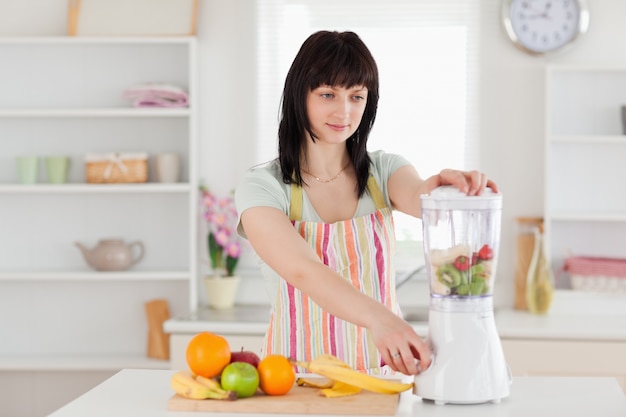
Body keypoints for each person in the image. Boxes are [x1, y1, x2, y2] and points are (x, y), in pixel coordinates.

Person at [235, 30, 497, 376]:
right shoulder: (263, 187)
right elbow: (304, 270)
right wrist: (380, 318)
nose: (344, 111)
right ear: (301, 96)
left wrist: (449, 189)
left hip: (380, 377)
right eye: (328, 94)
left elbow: (424, 198)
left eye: (356, 96)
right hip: (295, 379)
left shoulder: (384, 171)